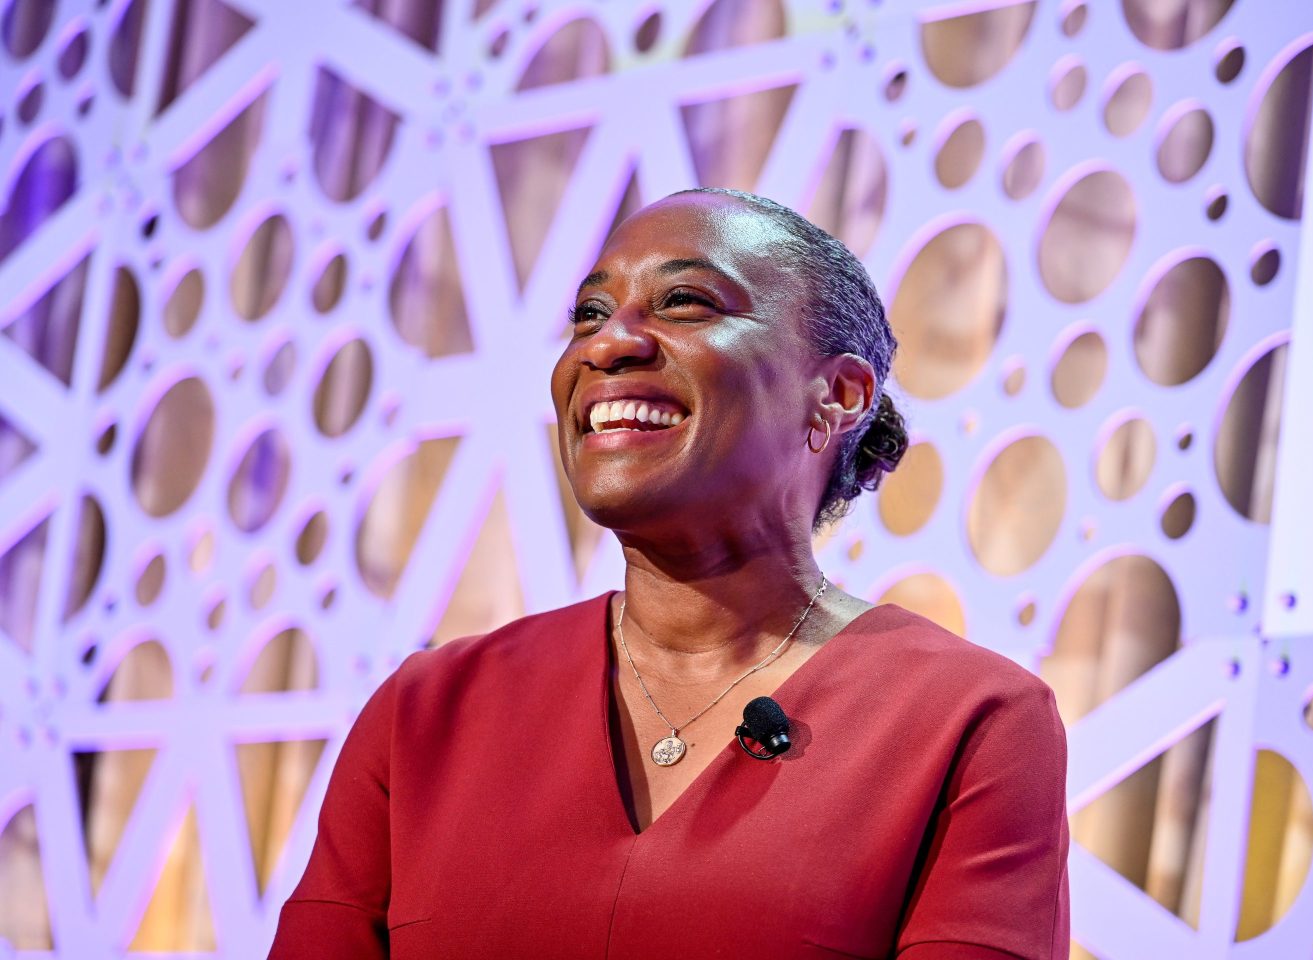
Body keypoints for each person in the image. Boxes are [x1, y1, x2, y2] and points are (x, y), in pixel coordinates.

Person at [268, 188, 1069, 959]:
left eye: (685, 302)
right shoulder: (426, 713)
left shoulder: (969, 721)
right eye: (589, 313)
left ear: (837, 394)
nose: (607, 343)